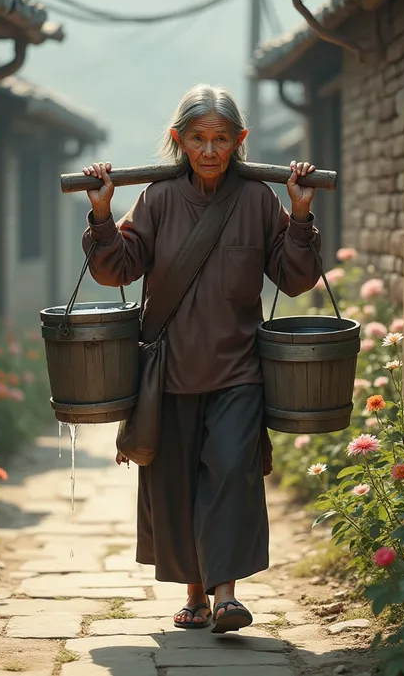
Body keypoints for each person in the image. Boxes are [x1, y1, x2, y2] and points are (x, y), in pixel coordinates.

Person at [81, 84, 321, 634]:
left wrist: (301, 215)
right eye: (198, 138)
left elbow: (295, 276)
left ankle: (227, 594)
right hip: (168, 369)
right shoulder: (159, 200)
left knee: (233, 471)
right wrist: (101, 214)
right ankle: (194, 594)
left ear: (240, 141)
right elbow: (118, 267)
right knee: (178, 482)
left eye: (220, 139)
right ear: (179, 140)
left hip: (238, 368)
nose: (209, 150)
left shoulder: (260, 199)